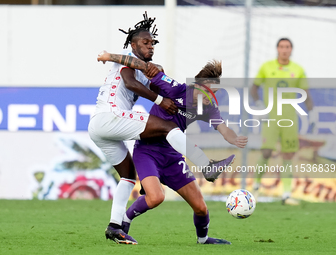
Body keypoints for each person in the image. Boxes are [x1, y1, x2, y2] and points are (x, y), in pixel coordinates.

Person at [89, 12, 236, 245]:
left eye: (152, 43)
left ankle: (115, 227)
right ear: (133, 44)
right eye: (145, 43)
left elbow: (152, 73)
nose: (151, 46)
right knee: (168, 127)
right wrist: (159, 100)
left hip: (100, 128)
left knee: (128, 177)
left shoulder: (150, 70)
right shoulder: (126, 58)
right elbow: (130, 82)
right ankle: (207, 166)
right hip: (111, 116)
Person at [103, 56, 248, 244]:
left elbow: (223, 129)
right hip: (148, 151)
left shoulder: (207, 108)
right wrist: (111, 56)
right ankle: (125, 221)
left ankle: (203, 239)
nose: (205, 98)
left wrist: (234, 138)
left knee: (201, 208)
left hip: (172, 157)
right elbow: (146, 68)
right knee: (156, 197)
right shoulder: (174, 88)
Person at [250, 38, 314, 205]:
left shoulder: (298, 69)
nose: (284, 50)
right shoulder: (267, 67)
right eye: (281, 47)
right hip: (270, 117)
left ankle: (286, 194)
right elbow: (254, 88)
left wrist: (312, 112)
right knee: (266, 152)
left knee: (288, 155)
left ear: (291, 50)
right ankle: (256, 187)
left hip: (289, 119)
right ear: (277, 49)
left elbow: (306, 93)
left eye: (287, 47)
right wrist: (258, 105)